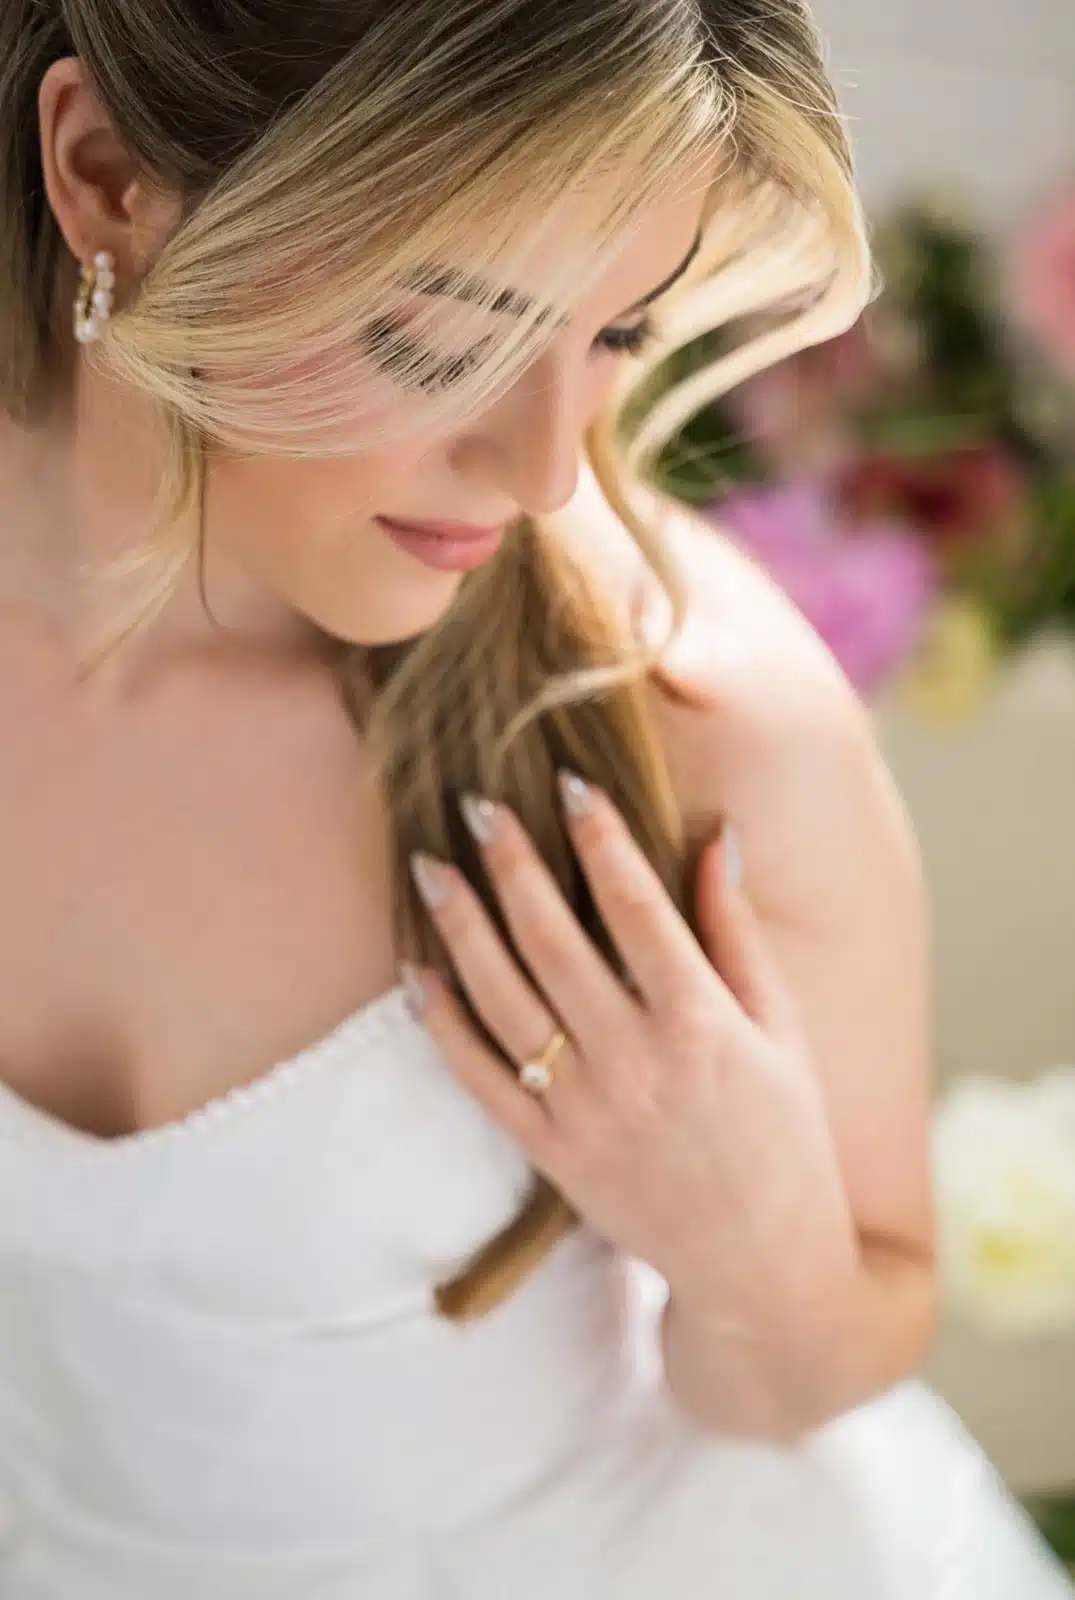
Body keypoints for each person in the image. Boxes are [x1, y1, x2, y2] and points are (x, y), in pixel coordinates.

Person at [0, 2, 1070, 1596]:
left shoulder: (694, 728)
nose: (545, 473)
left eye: (616, 335)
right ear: (107, 174)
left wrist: (748, 1254)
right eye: (442, 339)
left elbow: (806, 1377)